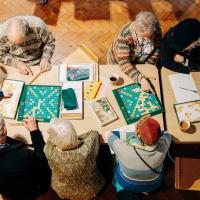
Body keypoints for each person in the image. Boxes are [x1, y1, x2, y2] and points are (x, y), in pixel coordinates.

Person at [107, 116, 171, 193]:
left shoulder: (123, 149)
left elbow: (110, 135)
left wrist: (131, 134)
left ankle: (121, 187)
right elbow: (166, 133)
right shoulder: (164, 145)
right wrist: (152, 133)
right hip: (153, 186)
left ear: (137, 135)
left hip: (126, 184)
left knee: (116, 157)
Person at [44, 119, 105, 200]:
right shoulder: (87, 149)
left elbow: (49, 139)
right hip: (90, 190)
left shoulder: (48, 150)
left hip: (62, 190)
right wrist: (73, 136)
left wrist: (53, 126)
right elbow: (94, 134)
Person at [108, 11, 162, 95]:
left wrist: (146, 65)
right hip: (118, 64)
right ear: (136, 30)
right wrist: (141, 79)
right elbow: (124, 64)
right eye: (143, 37)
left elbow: (157, 49)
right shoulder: (124, 36)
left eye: (150, 36)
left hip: (140, 64)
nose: (147, 40)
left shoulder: (156, 29)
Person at [0, 115, 51, 200]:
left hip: (7, 190)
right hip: (32, 191)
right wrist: (34, 131)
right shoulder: (23, 156)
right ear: (5, 130)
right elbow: (44, 158)